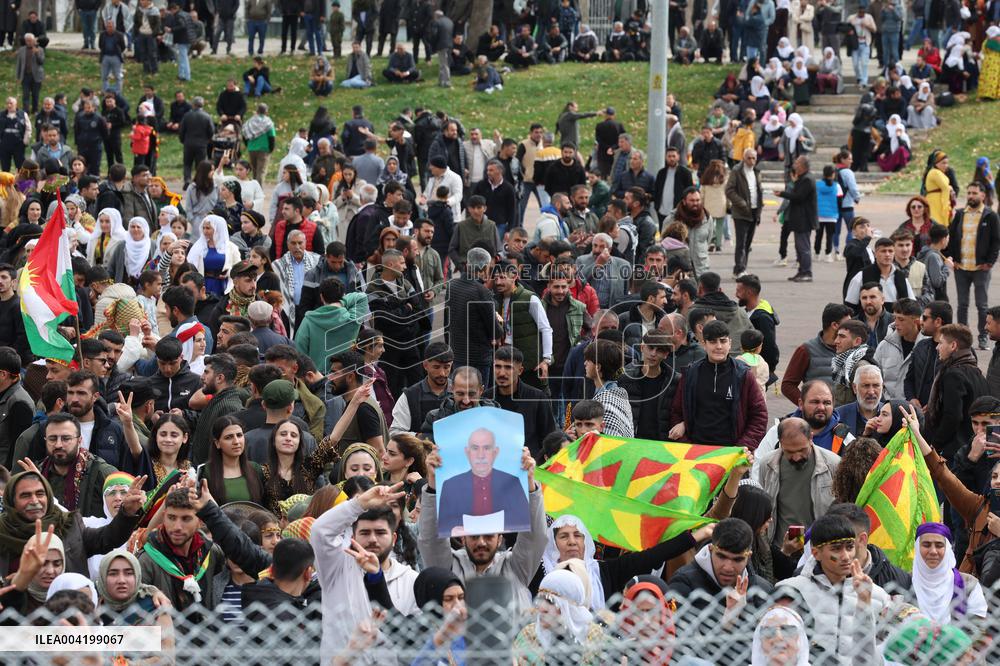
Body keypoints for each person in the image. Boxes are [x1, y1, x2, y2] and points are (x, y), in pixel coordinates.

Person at [419, 441, 546, 609]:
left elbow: (534, 538)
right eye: (474, 536)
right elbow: (430, 540)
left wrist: (529, 484)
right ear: (463, 538)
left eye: (488, 536)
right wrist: (433, 485)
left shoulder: (515, 568)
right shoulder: (448, 568)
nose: (481, 542)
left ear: (500, 539)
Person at [774, 513, 888, 664]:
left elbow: (886, 652)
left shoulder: (877, 595)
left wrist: (864, 604)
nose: (846, 556)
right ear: (816, 553)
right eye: (836, 549)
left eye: (849, 547)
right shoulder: (791, 591)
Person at [669, 320, 768, 449]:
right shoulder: (690, 374)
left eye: (723, 341)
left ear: (730, 343)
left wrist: (743, 447)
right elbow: (676, 412)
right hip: (695, 451)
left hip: (732, 452)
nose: (719, 346)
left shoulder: (743, 375)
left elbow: (759, 415)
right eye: (713, 342)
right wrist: (686, 444)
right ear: (703, 344)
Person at [949, 182, 1000, 350]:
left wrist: (990, 262)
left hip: (981, 269)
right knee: (962, 305)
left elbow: (996, 241)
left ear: (983, 195)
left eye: (974, 193)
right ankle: (962, 337)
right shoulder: (959, 214)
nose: (970, 196)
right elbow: (952, 237)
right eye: (969, 193)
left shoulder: (990, 216)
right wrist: (953, 258)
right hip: (961, 268)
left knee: (981, 305)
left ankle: (983, 336)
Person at [727, 149, 763, 278]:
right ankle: (740, 269)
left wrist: (759, 209)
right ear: (744, 158)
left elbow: (758, 191)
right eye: (749, 158)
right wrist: (741, 203)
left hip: (754, 211)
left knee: (748, 243)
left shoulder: (756, 171)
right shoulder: (737, 171)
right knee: (741, 243)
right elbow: (729, 190)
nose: (752, 161)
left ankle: (740, 269)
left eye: (754, 158)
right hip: (741, 212)